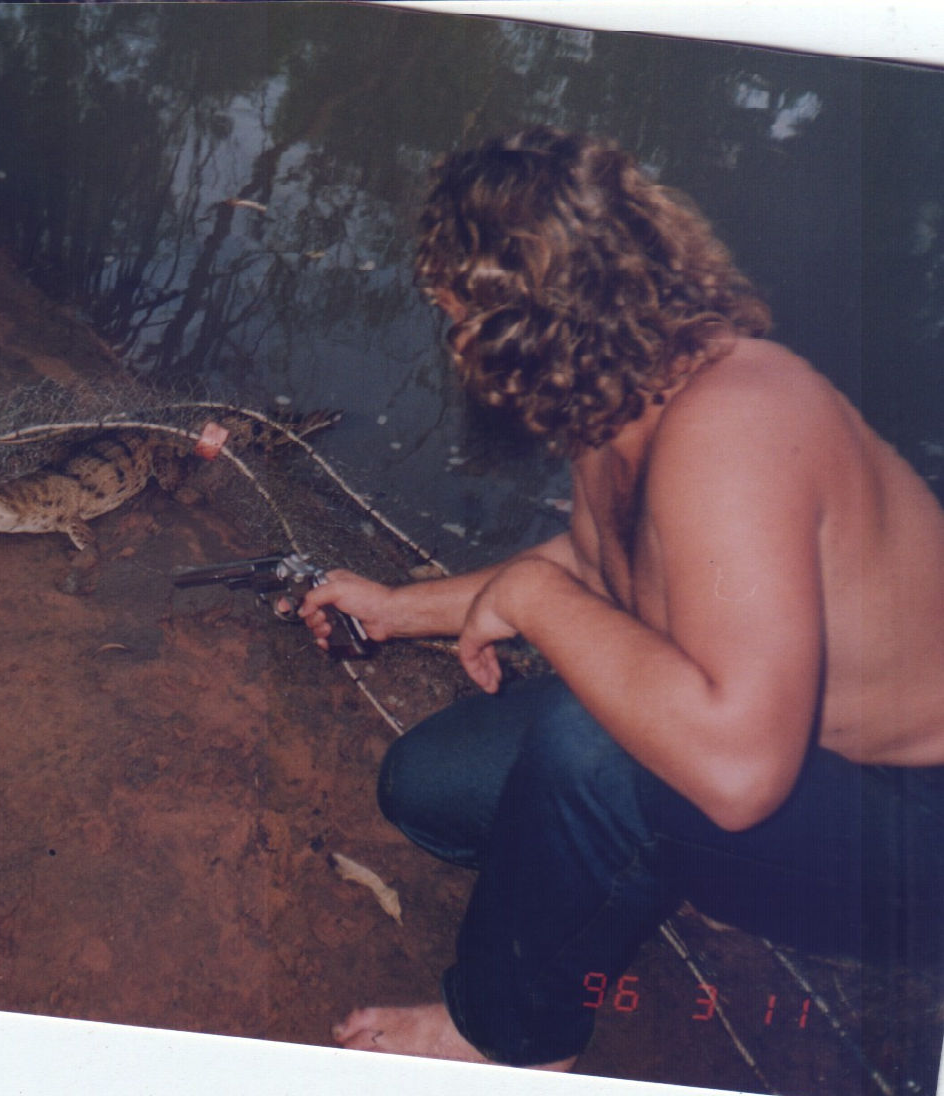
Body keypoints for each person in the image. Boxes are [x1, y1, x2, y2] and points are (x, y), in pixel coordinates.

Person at [299, 127, 944, 1071]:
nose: (456, 345)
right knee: (435, 789)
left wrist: (529, 595)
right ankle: (654, 872)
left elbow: (737, 770)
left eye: (456, 318)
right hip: (790, 750)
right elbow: (607, 569)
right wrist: (400, 607)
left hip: (913, 827)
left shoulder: (738, 425)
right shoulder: (625, 388)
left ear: (520, 323)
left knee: (591, 751)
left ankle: (508, 1034)